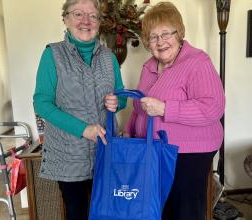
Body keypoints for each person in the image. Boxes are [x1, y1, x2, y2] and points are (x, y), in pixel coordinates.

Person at [124, 2, 225, 220]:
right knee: (161, 208)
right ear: (147, 42)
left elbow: (213, 107)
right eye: (153, 37)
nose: (160, 42)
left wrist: (165, 109)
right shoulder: (149, 66)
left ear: (179, 33)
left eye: (166, 33)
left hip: (189, 151)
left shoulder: (197, 62)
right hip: (154, 150)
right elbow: (139, 107)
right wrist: (128, 131)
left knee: (184, 210)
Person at [33, 0, 126, 219]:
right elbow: (42, 103)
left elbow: (121, 96)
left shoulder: (109, 57)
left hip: (105, 152)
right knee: (77, 213)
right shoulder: (52, 55)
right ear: (65, 18)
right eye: (78, 14)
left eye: (93, 16)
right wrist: (83, 129)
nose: (86, 21)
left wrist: (117, 101)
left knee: (109, 212)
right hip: (68, 158)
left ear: (99, 22)